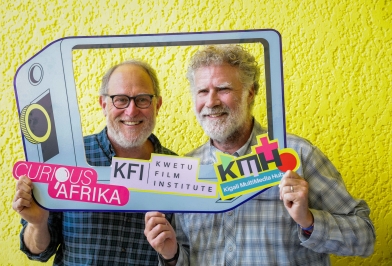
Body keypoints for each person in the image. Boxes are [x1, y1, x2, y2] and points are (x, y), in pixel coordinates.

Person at [144, 45, 376, 266]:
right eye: (203, 91)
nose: (211, 102)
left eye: (223, 89)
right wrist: (172, 255)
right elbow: (188, 255)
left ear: (250, 93)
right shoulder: (187, 171)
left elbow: (365, 238)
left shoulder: (296, 155)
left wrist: (309, 221)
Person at [12, 60, 176, 265]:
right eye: (120, 99)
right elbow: (39, 251)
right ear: (103, 104)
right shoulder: (65, 160)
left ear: (157, 105)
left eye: (142, 99)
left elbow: (183, 255)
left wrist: (170, 254)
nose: (131, 111)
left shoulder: (177, 170)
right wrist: (37, 224)